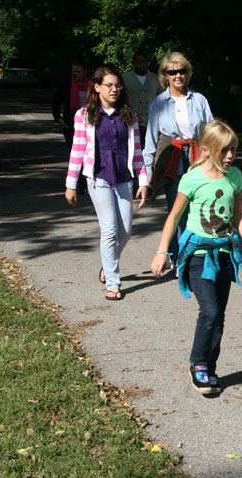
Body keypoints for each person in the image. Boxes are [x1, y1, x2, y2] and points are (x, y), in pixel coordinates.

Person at [150, 120, 242, 394]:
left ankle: (210, 367)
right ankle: (198, 363)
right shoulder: (192, 178)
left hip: (225, 253)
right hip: (198, 255)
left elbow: (238, 218)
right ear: (205, 150)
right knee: (210, 311)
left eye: (233, 151)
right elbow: (174, 217)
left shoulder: (235, 176)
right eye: (224, 151)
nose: (230, 156)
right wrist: (161, 252)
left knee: (219, 315)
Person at [65, 65, 149, 301]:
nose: (114, 89)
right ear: (97, 87)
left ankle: (107, 264)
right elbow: (77, 150)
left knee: (126, 232)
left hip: (123, 178)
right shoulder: (83, 115)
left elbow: (138, 151)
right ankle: (113, 282)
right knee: (110, 230)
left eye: (117, 85)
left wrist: (142, 180)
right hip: (98, 178)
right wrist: (71, 183)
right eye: (109, 85)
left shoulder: (129, 114)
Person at [144, 51, 214, 270]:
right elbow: (151, 139)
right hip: (172, 159)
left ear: (187, 72)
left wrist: (214, 159)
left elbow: (211, 131)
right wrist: (147, 171)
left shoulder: (200, 99)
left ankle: (194, 254)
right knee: (176, 209)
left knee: (197, 208)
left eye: (181, 70)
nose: (177, 76)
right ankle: (178, 257)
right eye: (172, 72)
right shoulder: (158, 103)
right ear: (165, 75)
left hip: (197, 157)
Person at [122, 52, 163, 148]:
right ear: (133, 63)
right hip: (131, 121)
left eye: (144, 62)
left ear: (147, 63)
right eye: (138, 62)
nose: (141, 64)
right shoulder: (124, 78)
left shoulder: (156, 79)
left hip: (151, 121)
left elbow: (162, 100)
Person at [53, 59, 89, 150]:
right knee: (74, 148)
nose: (76, 74)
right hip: (70, 122)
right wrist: (58, 117)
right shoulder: (66, 84)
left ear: (85, 71)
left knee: (87, 149)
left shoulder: (91, 84)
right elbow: (56, 101)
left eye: (79, 72)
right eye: (74, 71)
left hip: (88, 120)